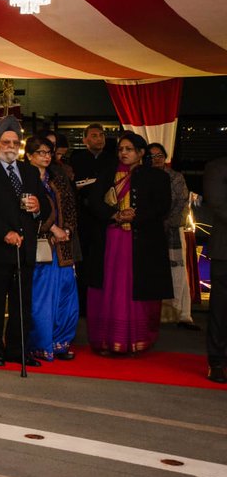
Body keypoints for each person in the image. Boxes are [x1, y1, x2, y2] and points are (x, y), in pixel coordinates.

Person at [0, 116, 50, 368]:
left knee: (22, 303)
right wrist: (4, 232)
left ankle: (18, 348)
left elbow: (45, 207)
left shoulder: (28, 171)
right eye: (6, 141)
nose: (11, 146)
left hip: (25, 248)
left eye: (15, 142)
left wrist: (37, 208)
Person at [85, 132, 172, 355]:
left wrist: (135, 215)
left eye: (129, 149)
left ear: (141, 153)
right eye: (121, 149)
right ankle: (107, 340)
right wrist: (115, 216)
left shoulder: (157, 177)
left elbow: (162, 207)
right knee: (110, 288)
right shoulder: (107, 174)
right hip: (111, 240)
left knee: (135, 288)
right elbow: (93, 202)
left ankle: (135, 340)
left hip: (141, 244)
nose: (123, 153)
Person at [25, 136, 80, 361]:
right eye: (40, 152)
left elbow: (70, 207)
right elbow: (26, 212)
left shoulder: (58, 177)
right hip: (40, 247)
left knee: (66, 296)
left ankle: (60, 343)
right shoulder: (24, 179)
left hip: (63, 247)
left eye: (48, 152)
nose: (46, 156)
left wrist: (66, 231)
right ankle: (40, 345)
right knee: (41, 299)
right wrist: (52, 229)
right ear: (29, 156)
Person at [148, 143, 198, 330]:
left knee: (178, 273)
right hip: (148, 231)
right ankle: (154, 313)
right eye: (152, 156)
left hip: (173, 230)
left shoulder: (176, 177)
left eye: (160, 155)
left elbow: (181, 203)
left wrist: (166, 222)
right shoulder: (142, 177)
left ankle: (182, 314)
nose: (156, 159)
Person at [69, 123, 117, 313]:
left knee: (105, 260)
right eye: (94, 135)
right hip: (84, 217)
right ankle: (82, 305)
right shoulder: (77, 159)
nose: (99, 139)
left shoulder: (112, 160)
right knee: (83, 261)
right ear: (85, 140)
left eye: (102, 135)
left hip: (106, 217)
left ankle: (105, 304)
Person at [203, 155, 227, 383]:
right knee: (220, 309)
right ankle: (216, 361)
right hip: (224, 251)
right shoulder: (217, 166)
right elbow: (218, 204)